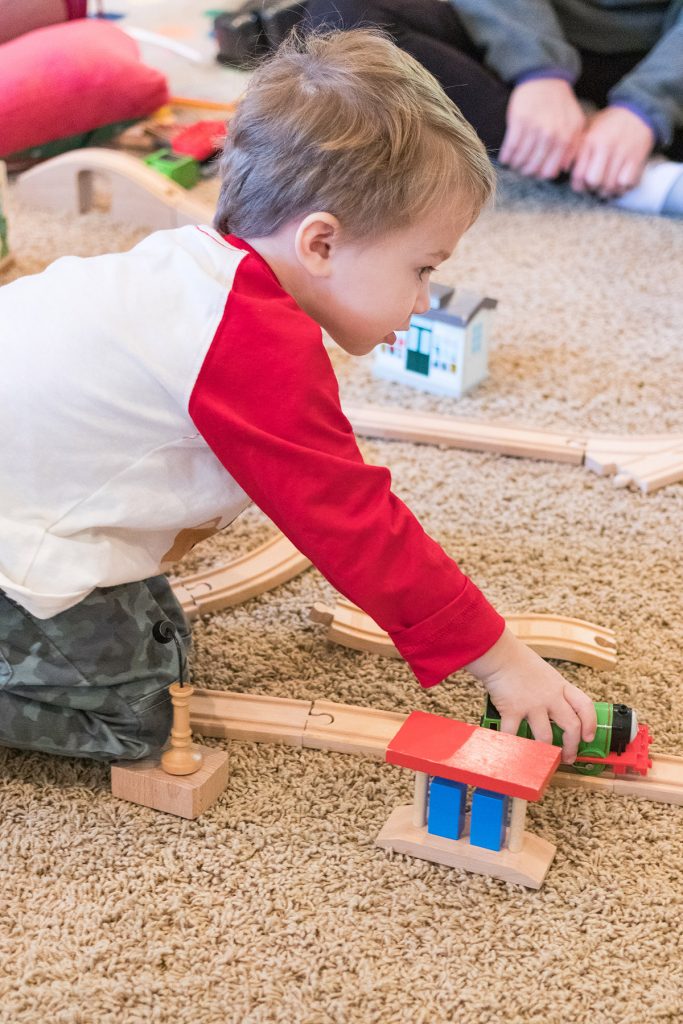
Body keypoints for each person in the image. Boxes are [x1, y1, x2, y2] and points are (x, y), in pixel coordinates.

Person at [0, 29, 597, 766]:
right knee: (141, 714)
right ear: (320, 244)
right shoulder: (249, 343)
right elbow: (353, 522)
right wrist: (502, 662)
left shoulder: (204, 278)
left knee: (164, 640)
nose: (421, 299)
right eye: (420, 268)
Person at [304, 0, 683, 204]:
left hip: (660, 55)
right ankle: (621, 173)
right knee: (343, 18)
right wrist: (538, 71)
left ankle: (607, 157)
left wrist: (647, 107)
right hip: (517, 33)